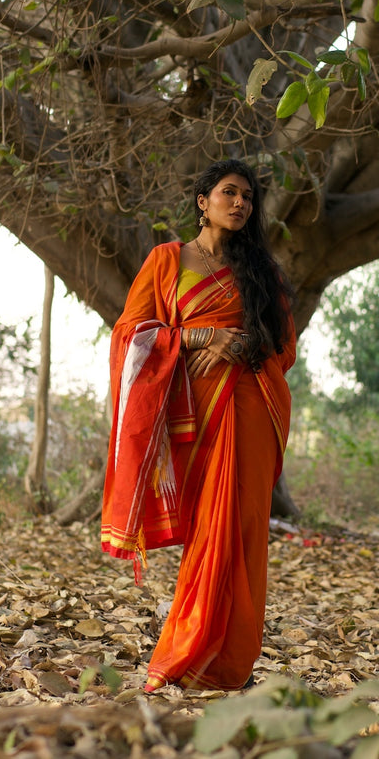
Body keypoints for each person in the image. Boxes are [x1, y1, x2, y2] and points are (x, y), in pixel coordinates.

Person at [101, 158, 296, 692]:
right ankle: (188, 654)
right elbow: (128, 334)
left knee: (244, 529)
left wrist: (239, 345)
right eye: (229, 193)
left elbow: (284, 346)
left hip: (252, 406)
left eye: (248, 198)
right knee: (210, 529)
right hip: (191, 415)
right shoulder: (168, 260)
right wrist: (197, 337)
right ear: (201, 200)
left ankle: (228, 662)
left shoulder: (260, 271)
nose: (241, 204)